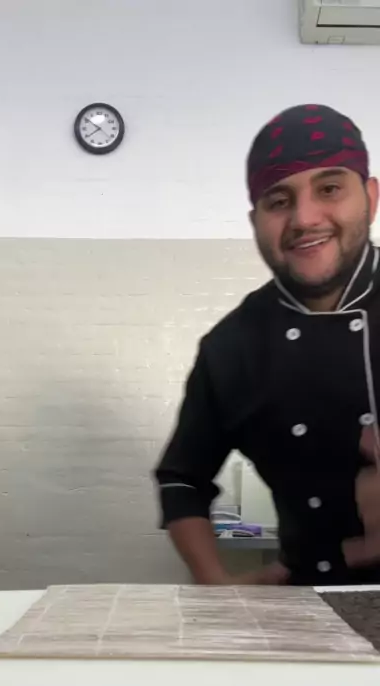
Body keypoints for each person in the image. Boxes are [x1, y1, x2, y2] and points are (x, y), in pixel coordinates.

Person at [154, 103, 380, 586]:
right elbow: (182, 480)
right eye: (278, 201)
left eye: (330, 189)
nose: (304, 218)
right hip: (308, 607)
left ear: (370, 196)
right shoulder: (232, 347)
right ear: (255, 220)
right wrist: (218, 587)